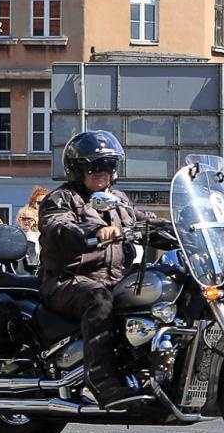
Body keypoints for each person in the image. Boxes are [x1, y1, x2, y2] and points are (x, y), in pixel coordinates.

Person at [39, 130, 149, 409]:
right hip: (67, 281)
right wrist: (95, 230)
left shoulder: (119, 200)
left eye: (110, 166)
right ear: (77, 168)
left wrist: (176, 228)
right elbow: (58, 226)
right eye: (95, 166)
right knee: (99, 298)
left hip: (114, 279)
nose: (104, 172)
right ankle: (101, 379)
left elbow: (143, 220)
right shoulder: (61, 198)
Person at [16, 206, 40, 270]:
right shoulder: (15, 234)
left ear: (34, 221)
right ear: (19, 220)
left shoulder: (37, 235)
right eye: (23, 218)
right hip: (19, 266)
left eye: (29, 219)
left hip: (34, 265)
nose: (26, 221)